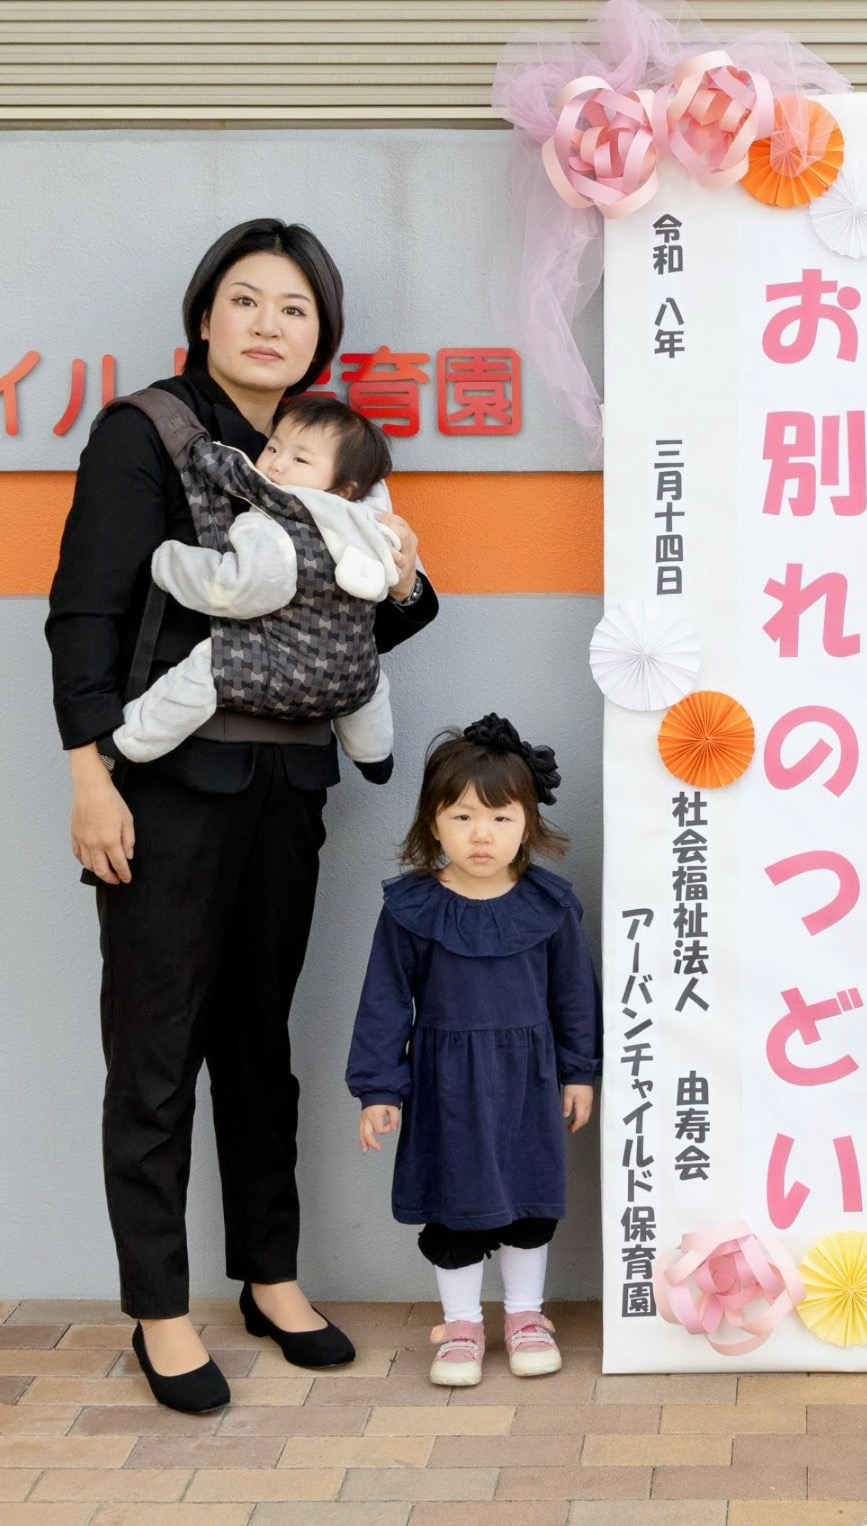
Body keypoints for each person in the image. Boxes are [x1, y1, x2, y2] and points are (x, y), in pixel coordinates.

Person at [46, 218, 439, 1413]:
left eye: (295, 308)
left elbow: (361, 623)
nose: (270, 324)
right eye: (247, 299)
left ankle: (271, 1274)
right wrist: (90, 775)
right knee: (156, 1045)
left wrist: (407, 577)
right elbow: (86, 612)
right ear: (205, 314)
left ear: (323, 334)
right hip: (165, 785)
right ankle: (161, 1310)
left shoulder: (332, 447)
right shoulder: (146, 432)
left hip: (288, 784)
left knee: (259, 1040)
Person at [346, 715, 602, 1388]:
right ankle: (461, 1324)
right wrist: (379, 1088)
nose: (480, 834)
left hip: (528, 1081)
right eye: (461, 816)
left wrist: (580, 1072)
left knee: (528, 1202)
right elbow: (383, 1002)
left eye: (499, 817)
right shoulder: (411, 909)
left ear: (527, 823)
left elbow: (576, 996)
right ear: (433, 823)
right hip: (446, 1086)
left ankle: (525, 1316)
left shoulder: (550, 905)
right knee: (454, 1202)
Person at [112, 392, 402, 781]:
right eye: (273, 448)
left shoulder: (276, 525)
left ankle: (129, 743)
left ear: (342, 489)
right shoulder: (370, 526)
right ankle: (374, 757)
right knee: (372, 681)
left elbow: (236, 588)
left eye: (300, 460)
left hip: (278, 671)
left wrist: (170, 563)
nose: (277, 465)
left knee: (206, 668)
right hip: (350, 676)